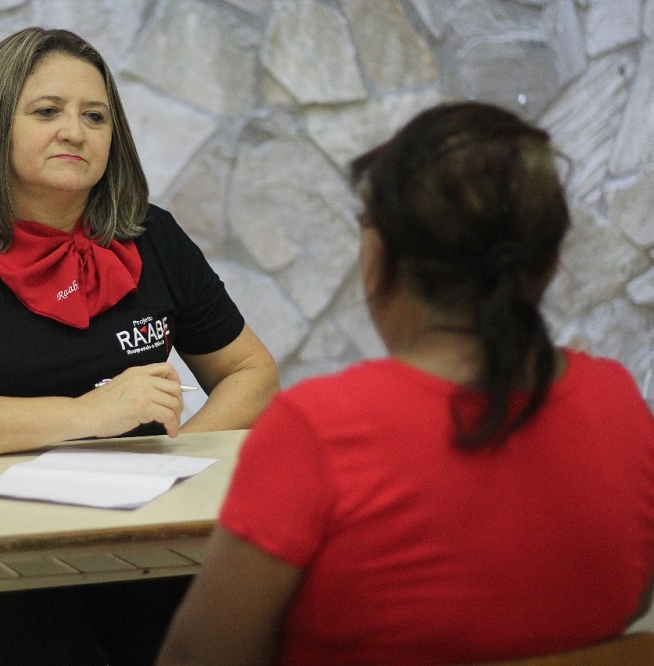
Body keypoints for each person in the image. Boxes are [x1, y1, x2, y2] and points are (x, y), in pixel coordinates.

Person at [157, 101, 654, 665]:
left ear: (377, 254)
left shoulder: (320, 429)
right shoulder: (619, 405)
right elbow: (629, 604)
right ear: (549, 263)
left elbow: (196, 658)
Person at [0, 26, 279, 665]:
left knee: (217, 643)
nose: (74, 132)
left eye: (95, 116)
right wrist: (87, 414)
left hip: (136, 528)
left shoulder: (153, 236)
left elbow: (252, 370)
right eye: (47, 111)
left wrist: (176, 462)